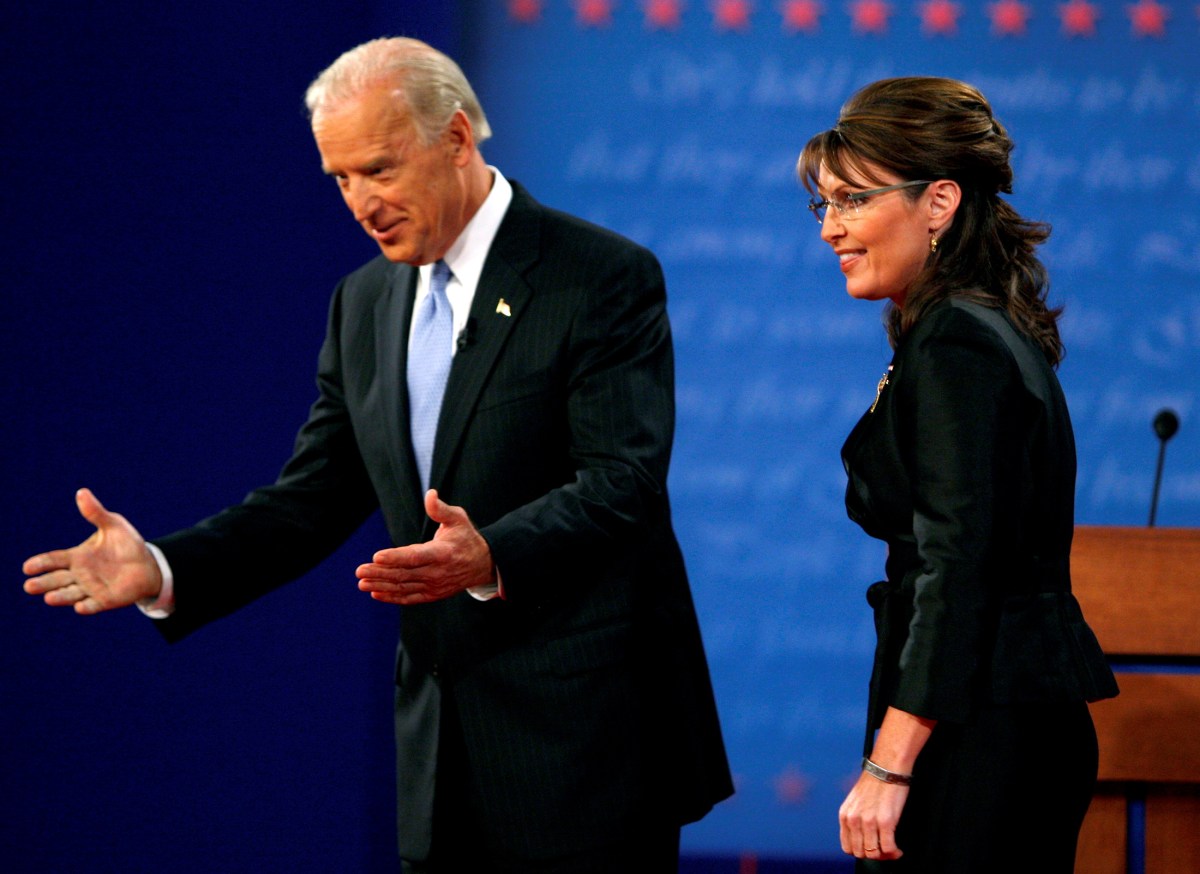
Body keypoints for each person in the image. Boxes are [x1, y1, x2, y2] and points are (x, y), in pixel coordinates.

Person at [23, 37, 733, 872]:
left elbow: (622, 481)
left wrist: (491, 553)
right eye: (340, 178)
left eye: (380, 169)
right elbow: (311, 497)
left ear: (458, 139)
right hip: (437, 745)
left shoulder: (598, 276)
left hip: (585, 741)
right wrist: (166, 568)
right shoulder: (362, 303)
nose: (360, 202)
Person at [797, 77, 1119, 872]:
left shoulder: (956, 345)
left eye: (854, 201)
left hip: (983, 733)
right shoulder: (972, 324)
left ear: (939, 202)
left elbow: (958, 568)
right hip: (995, 717)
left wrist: (889, 762)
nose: (832, 228)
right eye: (824, 205)